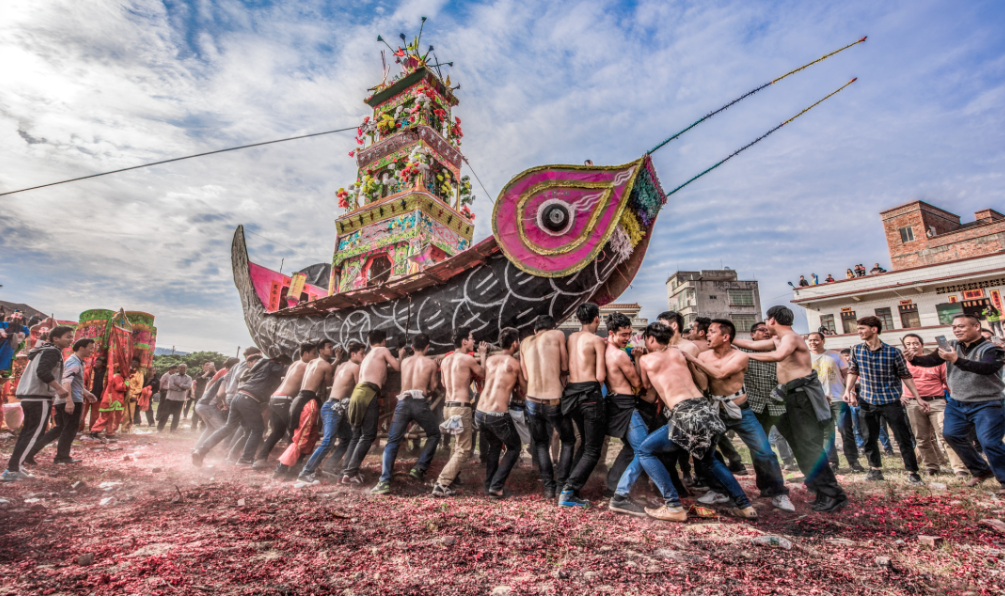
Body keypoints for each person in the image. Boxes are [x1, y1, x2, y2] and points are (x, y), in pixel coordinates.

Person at [632, 323, 755, 522]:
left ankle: (673, 506)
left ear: (651, 339)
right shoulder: (678, 353)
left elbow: (645, 386)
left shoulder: (647, 359)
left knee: (645, 450)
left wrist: (638, 358)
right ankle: (745, 506)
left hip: (685, 413)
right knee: (709, 460)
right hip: (706, 409)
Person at [733, 306, 847, 512]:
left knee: (808, 445)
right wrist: (727, 339)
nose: (766, 324)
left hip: (801, 397)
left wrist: (744, 356)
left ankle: (833, 494)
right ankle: (819, 490)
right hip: (789, 396)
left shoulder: (791, 338)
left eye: (766, 320)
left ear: (772, 320)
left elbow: (778, 356)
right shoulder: (779, 339)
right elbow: (750, 344)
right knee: (798, 445)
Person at [681, 319, 793, 512]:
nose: (707, 334)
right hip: (715, 410)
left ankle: (777, 493)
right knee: (703, 451)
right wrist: (692, 364)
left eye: (712, 331)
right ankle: (719, 490)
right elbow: (705, 384)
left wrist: (693, 359)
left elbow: (720, 374)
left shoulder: (740, 356)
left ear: (725, 337)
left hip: (741, 410)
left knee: (764, 452)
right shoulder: (704, 356)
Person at [904, 314, 1005, 489]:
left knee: (989, 442)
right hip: (957, 403)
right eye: (954, 327)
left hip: (987, 403)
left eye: (961, 326)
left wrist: (956, 360)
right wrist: (914, 359)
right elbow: (931, 360)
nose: (957, 330)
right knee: (951, 435)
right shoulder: (950, 345)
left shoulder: (993, 348)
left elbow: (987, 368)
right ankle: (981, 470)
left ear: (976, 327)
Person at [843, 316, 924, 485]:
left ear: (874, 329)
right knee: (869, 438)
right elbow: (853, 371)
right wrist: (848, 390)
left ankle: (912, 472)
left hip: (890, 401)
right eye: (858, 329)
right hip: (867, 401)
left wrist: (917, 397)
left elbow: (905, 375)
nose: (859, 332)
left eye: (862, 328)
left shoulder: (893, 352)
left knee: (902, 438)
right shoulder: (856, 350)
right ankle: (875, 470)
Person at [604, 312, 660, 517]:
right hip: (626, 404)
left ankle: (612, 485)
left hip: (614, 402)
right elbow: (638, 383)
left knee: (631, 448)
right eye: (623, 335)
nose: (627, 338)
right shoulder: (620, 355)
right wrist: (637, 358)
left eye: (629, 334)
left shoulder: (604, 350)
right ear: (611, 333)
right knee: (644, 449)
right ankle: (620, 495)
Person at [192, 353, 291, 467]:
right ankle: (245, 458)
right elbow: (289, 371)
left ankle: (201, 450)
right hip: (249, 400)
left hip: (238, 397)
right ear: (281, 363)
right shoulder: (274, 365)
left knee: (233, 428)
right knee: (258, 429)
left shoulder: (262, 366)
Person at [371, 334, 442, 494]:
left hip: (403, 402)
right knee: (434, 435)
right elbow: (433, 388)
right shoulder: (430, 363)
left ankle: (384, 482)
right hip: (419, 402)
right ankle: (419, 468)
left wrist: (401, 355)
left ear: (412, 347)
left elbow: (401, 368)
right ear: (427, 347)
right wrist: (436, 369)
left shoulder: (404, 362)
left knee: (392, 441)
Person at [1, 325, 72, 481]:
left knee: (28, 433)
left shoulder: (42, 350)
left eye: (71, 337)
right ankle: (12, 470)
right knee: (33, 434)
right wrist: (59, 388)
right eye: (68, 337)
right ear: (56, 338)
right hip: (39, 397)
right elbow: (43, 372)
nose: (71, 340)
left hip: (30, 396)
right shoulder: (52, 351)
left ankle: (16, 467)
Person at [341, 330, 405, 484]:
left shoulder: (367, 357)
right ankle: (350, 473)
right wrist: (401, 355)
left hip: (357, 394)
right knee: (368, 435)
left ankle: (345, 472)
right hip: (368, 393)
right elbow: (398, 367)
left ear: (369, 343)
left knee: (357, 436)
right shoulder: (382, 350)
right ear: (383, 341)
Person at [560, 304, 608, 508]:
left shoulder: (571, 338)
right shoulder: (597, 340)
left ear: (579, 320)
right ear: (597, 318)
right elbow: (600, 376)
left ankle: (569, 487)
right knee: (593, 450)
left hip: (571, 394)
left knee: (586, 444)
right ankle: (568, 491)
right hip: (589, 393)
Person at [522, 316, 573, 500]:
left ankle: (548, 488)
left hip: (532, 400)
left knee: (541, 444)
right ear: (553, 328)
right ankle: (561, 486)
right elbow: (565, 366)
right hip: (553, 399)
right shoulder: (557, 335)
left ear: (535, 331)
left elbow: (526, 376)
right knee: (568, 440)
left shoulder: (524, 342)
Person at [298, 342, 365, 485]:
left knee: (347, 438)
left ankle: (329, 467)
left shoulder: (341, 366)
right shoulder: (355, 367)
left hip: (333, 406)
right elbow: (360, 388)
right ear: (353, 354)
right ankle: (306, 472)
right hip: (334, 407)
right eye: (362, 353)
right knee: (328, 441)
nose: (364, 356)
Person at [433, 328, 488, 497]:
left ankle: (450, 479)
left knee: (457, 445)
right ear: (464, 341)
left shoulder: (445, 360)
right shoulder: (467, 359)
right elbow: (483, 373)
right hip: (461, 407)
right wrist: (483, 355)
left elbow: (443, 383)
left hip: (448, 407)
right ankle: (442, 483)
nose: (474, 342)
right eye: (471, 339)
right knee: (464, 449)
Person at [900, 334, 966, 477]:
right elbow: (893, 380)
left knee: (945, 435)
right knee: (922, 438)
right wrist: (900, 394)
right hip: (913, 403)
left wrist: (957, 399)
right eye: (908, 344)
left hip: (936, 402)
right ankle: (932, 467)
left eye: (915, 343)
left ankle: (959, 468)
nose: (912, 346)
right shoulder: (902, 362)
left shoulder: (935, 361)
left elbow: (947, 381)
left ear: (922, 345)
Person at [24, 338, 97, 465]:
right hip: (70, 400)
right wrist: (69, 401)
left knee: (59, 429)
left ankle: (29, 452)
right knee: (70, 429)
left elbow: (73, 383)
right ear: (81, 348)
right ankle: (62, 457)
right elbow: (66, 383)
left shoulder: (76, 361)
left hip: (63, 399)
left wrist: (86, 393)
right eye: (90, 347)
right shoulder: (74, 362)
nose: (92, 350)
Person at [473, 328, 526, 498]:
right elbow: (525, 389)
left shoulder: (490, 360)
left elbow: (484, 374)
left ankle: (489, 484)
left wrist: (482, 355)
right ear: (515, 343)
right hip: (497, 415)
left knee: (495, 446)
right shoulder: (515, 364)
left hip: (480, 413)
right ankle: (496, 486)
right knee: (514, 447)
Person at [274, 341, 335, 478]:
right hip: (309, 402)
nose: (332, 349)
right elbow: (329, 385)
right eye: (329, 347)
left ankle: (294, 467)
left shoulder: (311, 363)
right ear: (321, 350)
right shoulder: (326, 365)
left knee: (309, 436)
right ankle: (281, 469)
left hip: (298, 400)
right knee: (301, 437)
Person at [738, 322, 795, 470]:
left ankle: (806, 468)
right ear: (752, 335)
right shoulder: (742, 352)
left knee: (795, 437)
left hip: (779, 404)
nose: (766, 332)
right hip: (755, 405)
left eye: (768, 330)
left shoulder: (780, 351)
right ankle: (764, 473)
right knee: (759, 443)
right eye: (761, 330)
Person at [254, 343, 317, 469]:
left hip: (276, 397)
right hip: (284, 399)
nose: (315, 357)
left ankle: (261, 459)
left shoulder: (294, 364)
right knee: (294, 432)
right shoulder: (306, 366)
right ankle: (289, 464)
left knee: (278, 431)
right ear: (305, 353)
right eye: (314, 353)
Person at [806, 333, 863, 472]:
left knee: (846, 430)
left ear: (823, 341)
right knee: (826, 433)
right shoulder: (804, 358)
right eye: (810, 340)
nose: (813, 342)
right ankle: (832, 462)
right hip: (818, 402)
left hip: (839, 398)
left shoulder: (835, 355)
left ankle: (853, 461)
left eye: (816, 340)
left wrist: (851, 392)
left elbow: (847, 375)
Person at [193, 358, 238, 453]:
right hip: (208, 406)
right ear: (234, 366)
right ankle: (223, 451)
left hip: (202, 405)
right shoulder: (228, 377)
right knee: (225, 429)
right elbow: (220, 394)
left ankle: (197, 448)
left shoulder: (227, 376)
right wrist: (225, 404)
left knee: (211, 428)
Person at [90, 362, 127, 440]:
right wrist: (127, 382)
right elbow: (120, 387)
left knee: (105, 417)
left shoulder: (113, 376)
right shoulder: (118, 377)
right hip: (114, 401)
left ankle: (95, 431)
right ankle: (110, 433)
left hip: (109, 400)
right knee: (113, 418)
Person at [156, 364, 192, 433]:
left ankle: (173, 429)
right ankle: (159, 429)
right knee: (165, 414)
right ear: (178, 368)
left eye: (184, 368)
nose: (182, 369)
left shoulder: (188, 378)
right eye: (181, 368)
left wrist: (179, 385)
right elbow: (171, 386)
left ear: (186, 369)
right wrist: (182, 389)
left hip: (180, 399)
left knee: (177, 415)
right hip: (170, 398)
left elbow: (189, 387)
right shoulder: (172, 376)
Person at [79, 357, 107, 433]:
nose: (96, 363)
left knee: (95, 415)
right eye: (96, 362)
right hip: (87, 396)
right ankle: (79, 429)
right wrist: (84, 392)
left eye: (98, 362)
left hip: (98, 397)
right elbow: (83, 382)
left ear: (103, 364)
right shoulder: (89, 371)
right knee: (82, 413)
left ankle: (93, 430)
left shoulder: (106, 373)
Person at [122, 359, 144, 433]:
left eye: (136, 362)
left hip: (132, 394)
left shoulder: (139, 373)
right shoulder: (126, 371)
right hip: (122, 392)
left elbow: (139, 386)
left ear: (138, 364)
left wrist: (134, 394)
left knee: (129, 413)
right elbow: (123, 381)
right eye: (133, 361)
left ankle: (125, 428)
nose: (134, 363)